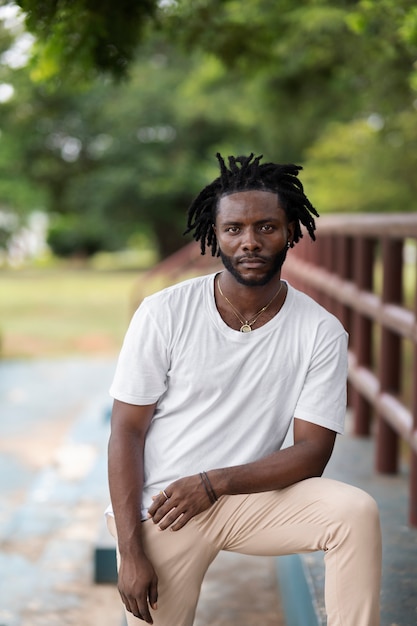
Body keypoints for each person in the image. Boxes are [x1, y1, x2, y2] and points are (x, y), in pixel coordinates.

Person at [106, 153, 382, 626]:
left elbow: (313, 452)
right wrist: (131, 549)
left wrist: (214, 484)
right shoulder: (164, 313)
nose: (249, 242)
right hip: (165, 508)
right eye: (234, 229)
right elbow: (126, 432)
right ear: (215, 235)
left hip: (246, 496)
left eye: (266, 227)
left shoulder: (321, 331)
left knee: (355, 513)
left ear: (292, 231)